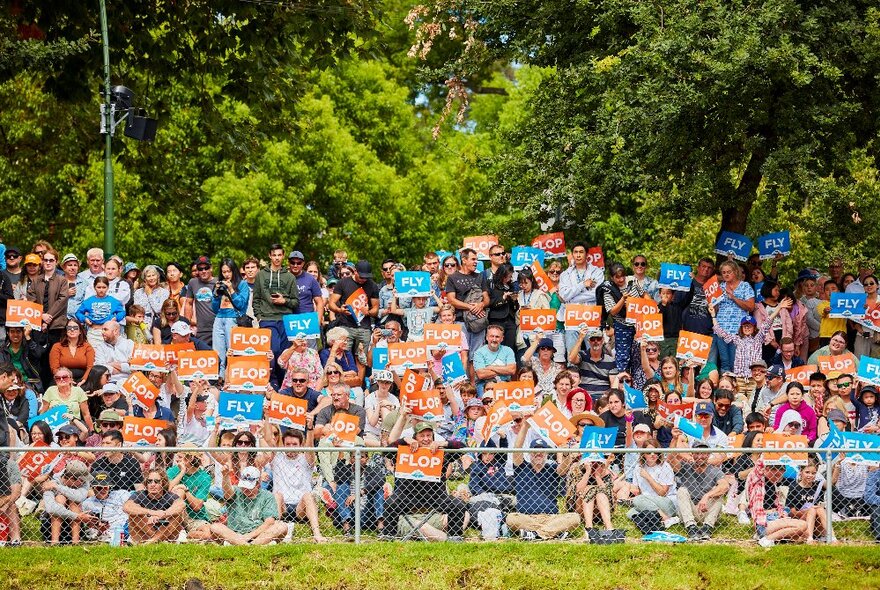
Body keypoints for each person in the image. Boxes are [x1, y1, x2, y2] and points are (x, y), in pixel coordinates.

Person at [383, 414, 468, 541]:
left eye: (429, 435)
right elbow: (385, 452)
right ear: (415, 438)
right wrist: (404, 440)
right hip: (407, 496)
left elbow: (463, 447)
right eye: (422, 436)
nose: (426, 439)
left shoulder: (442, 453)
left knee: (458, 504)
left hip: (436, 497)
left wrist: (442, 443)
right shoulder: (404, 451)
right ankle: (388, 536)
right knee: (391, 502)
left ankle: (455, 537)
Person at [504, 419, 581, 541]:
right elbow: (517, 448)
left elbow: (563, 469)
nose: (538, 453)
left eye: (542, 451)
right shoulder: (521, 467)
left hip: (550, 517)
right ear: (529, 453)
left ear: (546, 453)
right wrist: (525, 427)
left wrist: (567, 454)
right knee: (511, 518)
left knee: (574, 518)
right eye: (535, 450)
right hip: (526, 517)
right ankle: (552, 533)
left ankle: (535, 534)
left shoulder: (552, 468)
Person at [262, 424, 327, 543]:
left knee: (308, 495)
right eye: (288, 444)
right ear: (283, 444)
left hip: (300, 507)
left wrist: (310, 429)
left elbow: (310, 448)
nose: (291, 447)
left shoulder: (306, 458)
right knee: (277, 495)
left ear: (301, 445)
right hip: (282, 505)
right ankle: (275, 531)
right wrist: (267, 417)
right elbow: (268, 440)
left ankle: (317, 534)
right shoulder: (277, 458)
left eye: (294, 444)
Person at [252, 245, 300, 386]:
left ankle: (283, 384)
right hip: (267, 318)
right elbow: (256, 298)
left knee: (285, 354)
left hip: (286, 319)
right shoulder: (261, 275)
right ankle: (272, 384)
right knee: (272, 352)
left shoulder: (290, 277)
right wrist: (259, 316)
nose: (277, 258)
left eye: (279, 255)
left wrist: (283, 300)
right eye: (274, 255)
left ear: (283, 256)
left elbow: (295, 302)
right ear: (270, 256)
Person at [210, 464, 288, 545]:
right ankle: (252, 546)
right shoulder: (236, 491)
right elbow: (227, 491)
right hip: (235, 534)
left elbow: (269, 522)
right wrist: (225, 476)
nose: (245, 489)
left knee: (281, 527)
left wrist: (249, 536)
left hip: (259, 535)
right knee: (215, 527)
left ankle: (244, 545)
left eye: (249, 486)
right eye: (244, 485)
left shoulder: (267, 496)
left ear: (258, 484)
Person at [668, 442, 729, 540]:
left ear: (708, 454)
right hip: (689, 511)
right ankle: (691, 527)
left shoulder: (714, 470)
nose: (700, 456)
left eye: (703, 453)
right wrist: (675, 439)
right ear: (692, 454)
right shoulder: (686, 467)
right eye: (697, 453)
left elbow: (725, 486)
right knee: (682, 490)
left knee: (718, 492)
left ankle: (707, 527)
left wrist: (707, 496)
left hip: (706, 509)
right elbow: (671, 460)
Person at [444, 248, 490, 374]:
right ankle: (462, 386)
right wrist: (470, 307)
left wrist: (481, 304)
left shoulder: (480, 276)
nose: (476, 262)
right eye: (473, 259)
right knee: (461, 354)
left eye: (477, 260)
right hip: (460, 322)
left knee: (476, 356)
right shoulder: (453, 278)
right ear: (464, 260)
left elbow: (487, 298)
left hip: (478, 321)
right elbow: (451, 300)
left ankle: (473, 388)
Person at [746, 460, 808, 547]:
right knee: (803, 525)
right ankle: (767, 539)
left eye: (780, 475)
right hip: (765, 521)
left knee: (804, 533)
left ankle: (771, 538)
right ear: (766, 469)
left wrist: (781, 513)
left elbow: (778, 506)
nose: (777, 478)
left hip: (776, 518)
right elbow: (759, 465)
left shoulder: (774, 485)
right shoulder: (758, 481)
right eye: (776, 475)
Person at [123, 468, 186, 544]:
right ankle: (156, 541)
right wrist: (152, 513)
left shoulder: (169, 496)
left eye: (156, 481)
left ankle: (152, 541)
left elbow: (181, 505)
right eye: (149, 481)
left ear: (163, 483)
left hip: (166, 534)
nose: (152, 484)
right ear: (146, 483)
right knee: (133, 514)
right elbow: (126, 507)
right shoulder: (140, 494)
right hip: (144, 535)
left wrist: (164, 514)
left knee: (177, 515)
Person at [714, 261, 756, 373]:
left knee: (736, 361)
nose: (726, 275)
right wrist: (713, 304)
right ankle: (725, 388)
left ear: (735, 272)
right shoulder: (720, 287)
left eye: (729, 272)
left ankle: (736, 388)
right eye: (723, 273)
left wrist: (733, 297)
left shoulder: (745, 286)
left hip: (737, 331)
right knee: (724, 362)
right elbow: (716, 308)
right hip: (721, 329)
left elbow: (751, 307)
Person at [210, 258, 250, 376]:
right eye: (224, 272)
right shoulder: (220, 284)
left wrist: (231, 289)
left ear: (234, 271)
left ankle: (234, 378)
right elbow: (214, 308)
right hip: (219, 318)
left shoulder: (242, 284)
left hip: (233, 318)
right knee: (217, 352)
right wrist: (216, 294)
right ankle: (220, 378)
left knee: (233, 352)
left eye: (229, 271)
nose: (226, 275)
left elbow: (241, 305)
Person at [166, 445, 213, 542]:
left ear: (190, 458)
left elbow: (197, 507)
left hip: (194, 517)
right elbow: (167, 490)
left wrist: (186, 490)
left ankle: (187, 535)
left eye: (180, 457)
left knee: (208, 534)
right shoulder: (173, 470)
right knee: (179, 491)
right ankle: (180, 529)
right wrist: (182, 472)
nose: (177, 460)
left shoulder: (204, 477)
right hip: (174, 515)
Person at [42, 459, 92, 545]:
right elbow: (51, 509)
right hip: (50, 526)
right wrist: (77, 516)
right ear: (71, 478)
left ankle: (75, 542)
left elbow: (79, 497)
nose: (84, 482)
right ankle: (54, 542)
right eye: (81, 480)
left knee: (75, 502)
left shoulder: (84, 482)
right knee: (60, 498)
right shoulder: (51, 483)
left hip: (75, 526)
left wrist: (58, 487)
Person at [80, 471, 131, 543]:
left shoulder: (120, 495)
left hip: (126, 527)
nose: (103, 490)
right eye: (99, 488)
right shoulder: (88, 503)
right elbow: (89, 527)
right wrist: (99, 530)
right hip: (108, 533)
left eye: (105, 487)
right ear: (93, 488)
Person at [75, 276, 126, 349]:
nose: (101, 290)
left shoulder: (113, 301)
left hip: (109, 332)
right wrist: (84, 319)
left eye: (104, 287)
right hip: (94, 332)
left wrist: (116, 318)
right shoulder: (89, 301)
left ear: (108, 287)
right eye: (99, 287)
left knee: (109, 354)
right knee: (94, 354)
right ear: (94, 287)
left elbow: (122, 312)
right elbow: (78, 313)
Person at [40, 366, 94, 432]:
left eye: (65, 377)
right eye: (58, 378)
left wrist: (92, 431)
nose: (61, 379)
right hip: (54, 428)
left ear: (71, 379)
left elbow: (86, 414)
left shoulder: (78, 391)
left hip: (74, 428)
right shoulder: (50, 390)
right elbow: (43, 412)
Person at [569, 327, 616, 399]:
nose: (596, 341)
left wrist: (608, 397)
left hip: (602, 397)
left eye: (598, 339)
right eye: (593, 339)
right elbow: (571, 359)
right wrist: (580, 339)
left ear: (603, 341)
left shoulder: (610, 360)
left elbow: (613, 385)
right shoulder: (583, 355)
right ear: (589, 341)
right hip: (584, 396)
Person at [472, 324, 516, 396]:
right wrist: (504, 370)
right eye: (492, 336)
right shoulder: (479, 353)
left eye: (497, 337)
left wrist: (490, 367)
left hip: (504, 382)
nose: (494, 339)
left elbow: (512, 370)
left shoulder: (508, 350)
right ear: (486, 337)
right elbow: (481, 374)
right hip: (484, 384)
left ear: (502, 338)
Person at [49, 319, 94, 387]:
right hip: (62, 378)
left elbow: (90, 366)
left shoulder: (87, 346)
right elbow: (54, 368)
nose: (72, 330)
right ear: (66, 331)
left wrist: (83, 380)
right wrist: (66, 379)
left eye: (75, 328)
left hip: (83, 379)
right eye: (69, 328)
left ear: (80, 331)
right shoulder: (57, 346)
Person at [184, 255, 218, 346]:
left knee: (220, 357)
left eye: (206, 268)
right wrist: (187, 324)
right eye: (200, 268)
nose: (203, 271)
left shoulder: (218, 282)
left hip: (218, 327)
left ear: (211, 268)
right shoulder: (193, 282)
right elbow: (188, 303)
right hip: (202, 329)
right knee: (204, 356)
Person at [132, 265, 170, 336]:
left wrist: (149, 294)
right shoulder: (138, 292)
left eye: (153, 275)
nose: (152, 278)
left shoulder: (164, 292)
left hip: (158, 327)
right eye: (149, 276)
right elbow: (136, 311)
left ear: (157, 276)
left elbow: (158, 309)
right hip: (141, 326)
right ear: (145, 279)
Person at [93, 320, 134, 385]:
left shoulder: (129, 344)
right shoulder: (100, 347)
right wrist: (122, 367)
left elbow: (133, 367)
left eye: (105, 329)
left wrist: (111, 364)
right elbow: (99, 367)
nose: (102, 332)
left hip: (128, 381)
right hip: (108, 382)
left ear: (115, 331)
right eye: (102, 329)